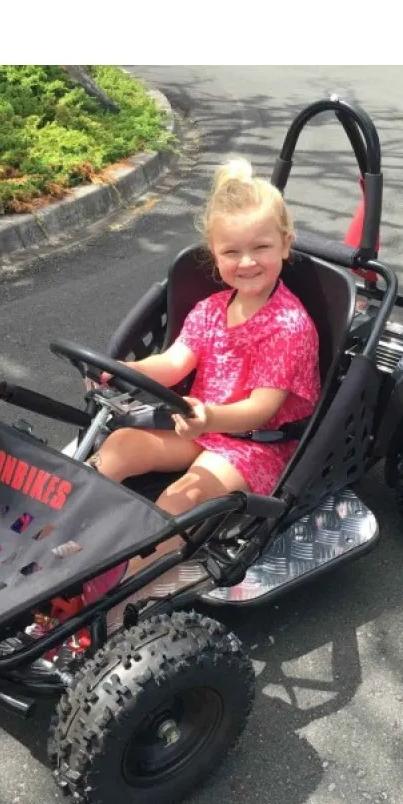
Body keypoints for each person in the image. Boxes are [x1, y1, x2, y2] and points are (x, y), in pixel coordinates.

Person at [78, 157, 322, 607]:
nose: (246, 262)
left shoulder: (289, 326)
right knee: (121, 445)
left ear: (286, 245)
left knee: (181, 499)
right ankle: (60, 532)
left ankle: (117, 592)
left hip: (257, 445)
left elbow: (262, 409)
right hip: (199, 424)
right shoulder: (211, 309)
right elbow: (174, 363)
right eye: (231, 252)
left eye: (261, 248)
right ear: (214, 253)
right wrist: (122, 369)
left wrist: (209, 418)